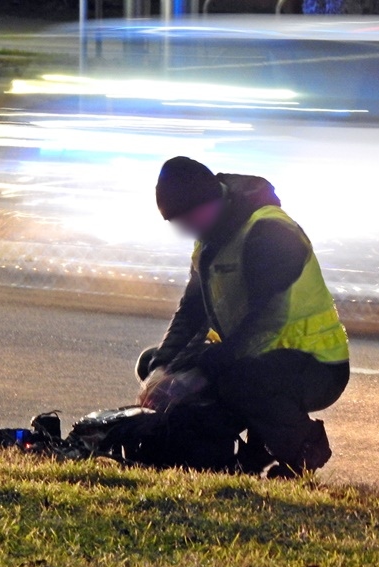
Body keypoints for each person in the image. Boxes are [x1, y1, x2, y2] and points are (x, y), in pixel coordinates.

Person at [136, 157, 350, 476]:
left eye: (189, 219)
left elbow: (265, 323)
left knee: (238, 379)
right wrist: (162, 368)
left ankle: (303, 449)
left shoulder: (269, 231)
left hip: (316, 365)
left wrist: (200, 373)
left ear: (211, 199)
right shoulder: (211, 238)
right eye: (178, 224)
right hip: (260, 356)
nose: (187, 230)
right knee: (155, 363)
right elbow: (191, 312)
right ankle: (238, 452)